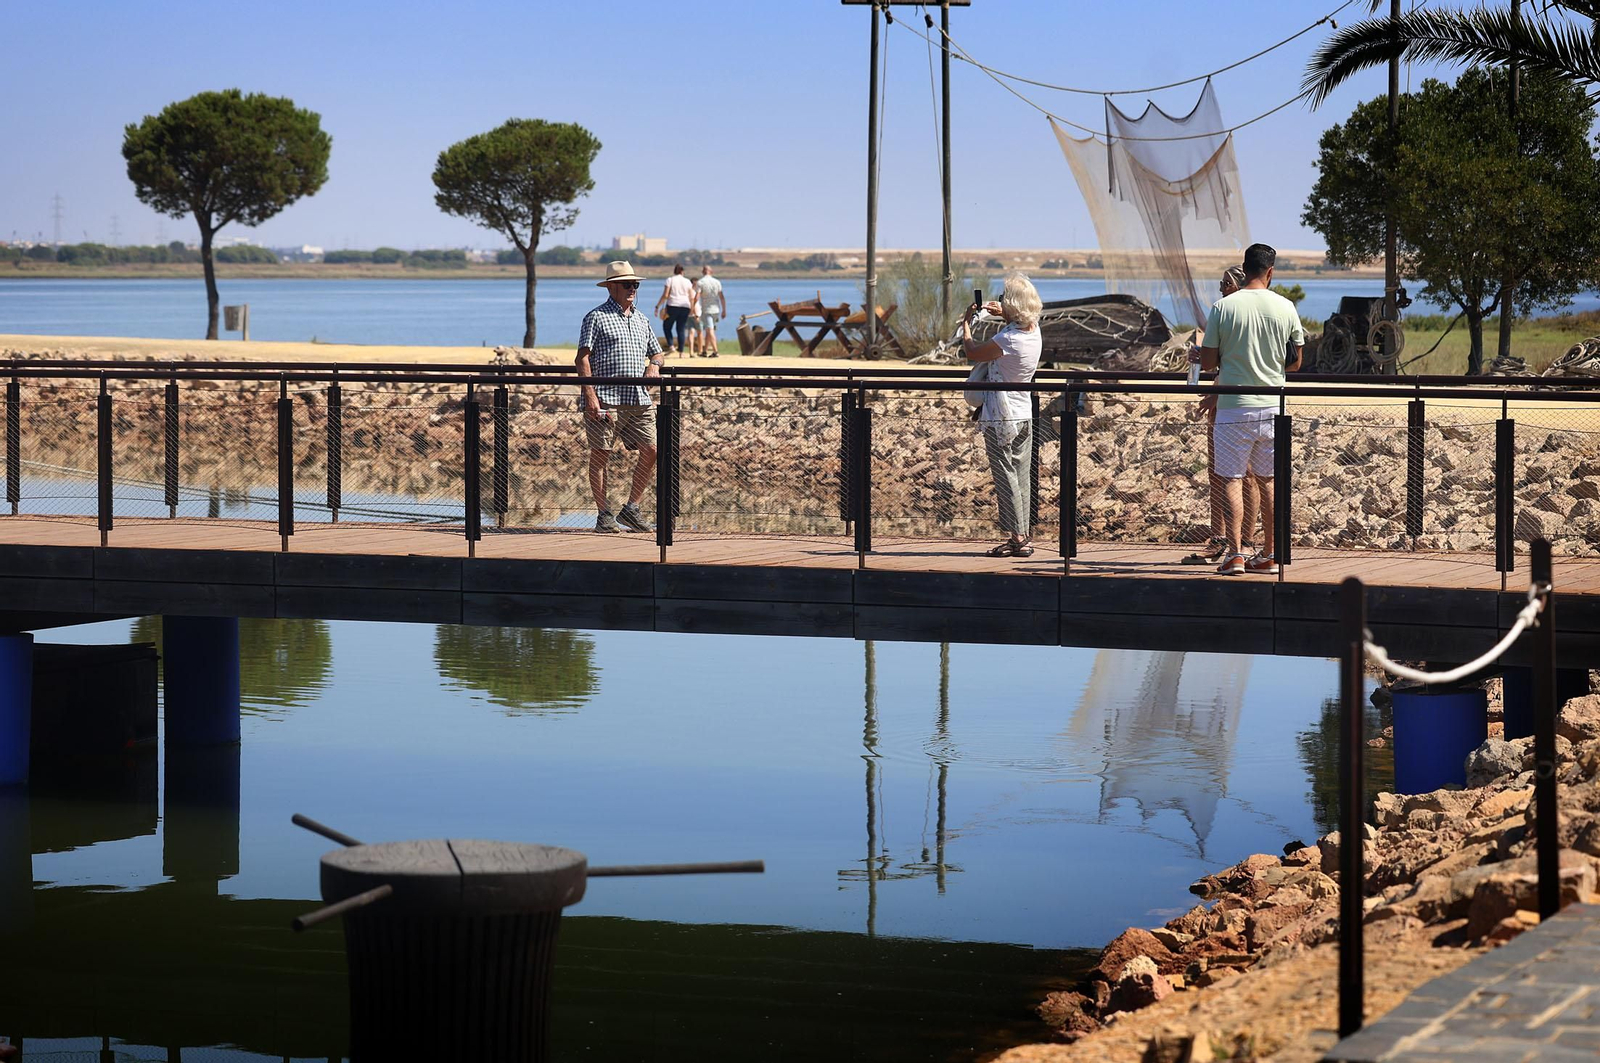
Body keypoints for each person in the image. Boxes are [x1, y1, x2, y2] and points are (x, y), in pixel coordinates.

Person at [1195, 244, 1304, 575]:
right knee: (1268, 481)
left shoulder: (1223, 307)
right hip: (1272, 406)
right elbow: (1296, 362)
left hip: (1233, 407)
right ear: (1270, 272)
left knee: (1231, 478)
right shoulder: (1286, 307)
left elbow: (1208, 361)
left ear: (1245, 269)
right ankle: (1269, 553)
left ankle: (1236, 554)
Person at [959, 272, 1044, 557]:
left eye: (1005, 299)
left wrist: (966, 324)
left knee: (1005, 475)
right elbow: (1019, 324)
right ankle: (1024, 534)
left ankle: (1018, 538)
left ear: (1013, 305)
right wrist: (1004, 314)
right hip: (1024, 412)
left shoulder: (1007, 339)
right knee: (1021, 474)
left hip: (1001, 416)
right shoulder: (1034, 332)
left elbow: (973, 352)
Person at [577, 260, 665, 533]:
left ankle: (631, 509)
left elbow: (657, 352)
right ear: (611, 287)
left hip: (638, 398)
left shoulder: (641, 319)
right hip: (605, 398)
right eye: (627, 284)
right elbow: (582, 359)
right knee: (601, 455)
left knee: (652, 450)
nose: (632, 289)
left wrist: (654, 365)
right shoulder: (596, 317)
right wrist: (590, 396)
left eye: (635, 284)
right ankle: (603, 515)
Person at [1186, 265, 1262, 564]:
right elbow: (1222, 360)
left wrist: (1216, 393)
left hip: (1235, 403)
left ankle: (1242, 540)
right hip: (1227, 401)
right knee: (1220, 473)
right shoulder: (1225, 315)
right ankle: (1223, 537)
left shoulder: (1239, 316)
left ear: (1239, 285)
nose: (1221, 289)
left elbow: (1240, 365)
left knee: (1243, 475)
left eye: (1225, 283)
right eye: (1221, 283)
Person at [654, 263, 695, 355]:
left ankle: (671, 346)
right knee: (681, 329)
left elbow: (665, 295)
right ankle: (681, 352)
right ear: (682, 271)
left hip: (673, 305)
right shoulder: (687, 281)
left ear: (674, 271)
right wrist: (692, 308)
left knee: (667, 326)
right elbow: (691, 296)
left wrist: (657, 306)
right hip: (685, 306)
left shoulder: (670, 280)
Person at [695, 265, 726, 357]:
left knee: (710, 330)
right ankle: (704, 350)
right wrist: (724, 310)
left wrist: (693, 307)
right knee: (709, 329)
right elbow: (721, 297)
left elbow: (697, 296)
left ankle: (715, 351)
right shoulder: (717, 282)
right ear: (711, 272)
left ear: (703, 272)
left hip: (707, 309)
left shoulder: (701, 282)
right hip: (716, 309)